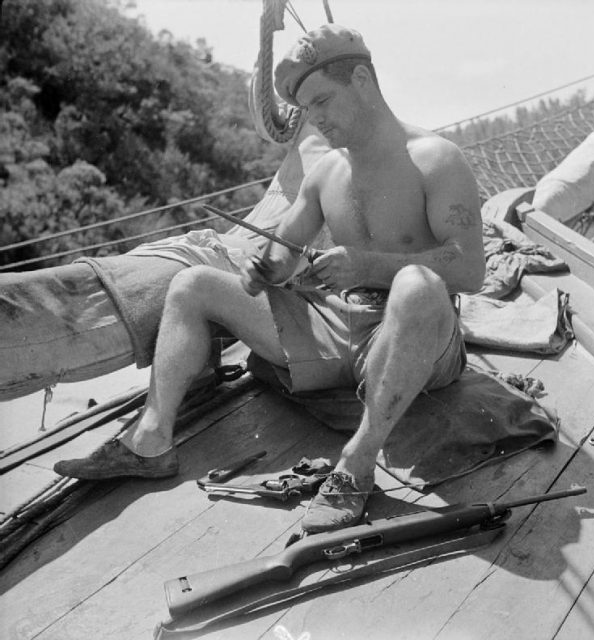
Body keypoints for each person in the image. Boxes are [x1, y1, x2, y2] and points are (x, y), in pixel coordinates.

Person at [54, 24, 485, 533]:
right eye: (308, 110)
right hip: (342, 324)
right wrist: (268, 268)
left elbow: (470, 270)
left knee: (417, 285)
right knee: (194, 284)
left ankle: (357, 465)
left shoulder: (436, 159)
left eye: (323, 101)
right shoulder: (327, 173)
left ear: (363, 79)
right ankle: (150, 441)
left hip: (419, 335)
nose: (317, 120)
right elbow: (282, 252)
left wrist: (368, 264)